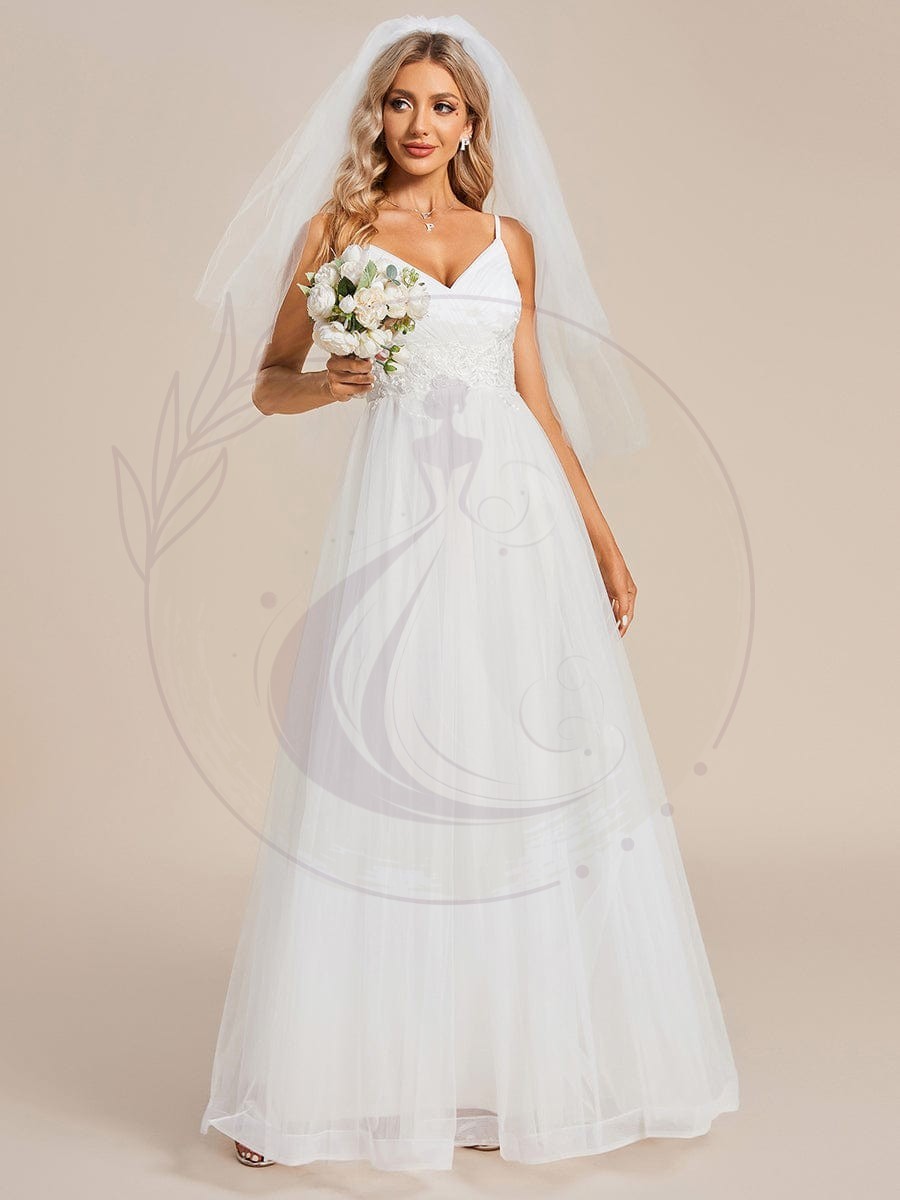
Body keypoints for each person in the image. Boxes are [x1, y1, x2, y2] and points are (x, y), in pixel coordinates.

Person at [196, 16, 739, 1173]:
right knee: (382, 778)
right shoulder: (337, 232)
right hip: (402, 519)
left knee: (518, 776)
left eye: (443, 105)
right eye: (402, 102)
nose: (421, 124)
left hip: (516, 527)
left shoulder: (510, 240)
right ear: (376, 114)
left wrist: (604, 541)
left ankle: (510, 1073)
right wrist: (332, 382)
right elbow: (268, 383)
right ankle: (309, 1089)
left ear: (473, 122)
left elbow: (536, 401)